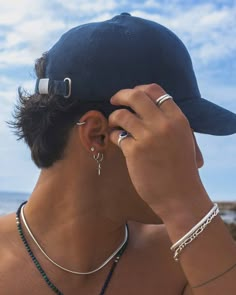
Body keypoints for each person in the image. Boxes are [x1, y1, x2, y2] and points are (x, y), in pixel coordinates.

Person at [0, 13, 236, 295]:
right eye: (172, 136)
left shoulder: (186, 260)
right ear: (97, 135)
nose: (195, 160)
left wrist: (185, 202)